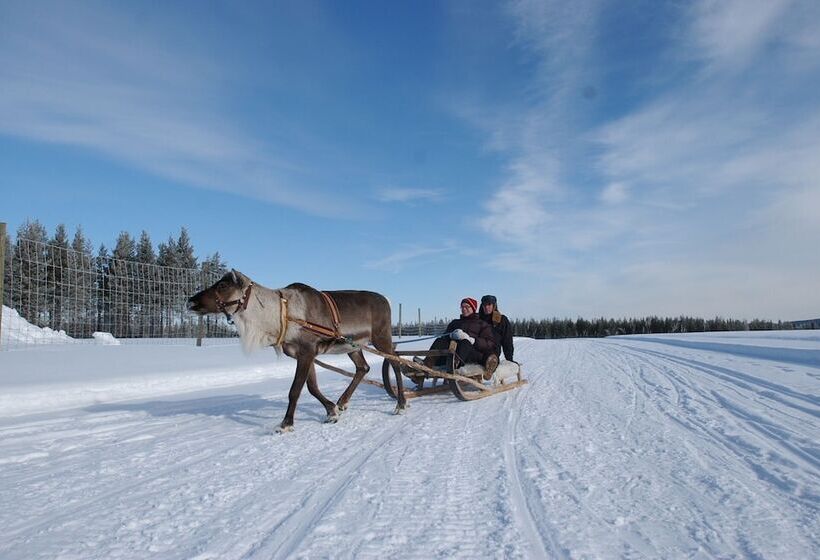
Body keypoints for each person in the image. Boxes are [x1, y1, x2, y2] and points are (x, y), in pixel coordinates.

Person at [419, 297, 499, 378]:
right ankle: (426, 364)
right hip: (452, 352)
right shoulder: (455, 323)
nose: (464, 309)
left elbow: (489, 343)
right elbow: (444, 337)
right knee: (439, 341)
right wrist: (450, 335)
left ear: (473, 308)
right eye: (462, 307)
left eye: (467, 307)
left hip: (472, 354)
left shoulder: (482, 324)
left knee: (465, 342)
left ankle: (453, 366)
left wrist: (472, 340)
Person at [479, 294, 514, 363]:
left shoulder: (501, 320)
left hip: (492, 352)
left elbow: (507, 340)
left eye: (489, 305)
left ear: (494, 306)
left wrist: (509, 359)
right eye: (484, 305)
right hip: (478, 349)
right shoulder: (478, 319)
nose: (486, 307)